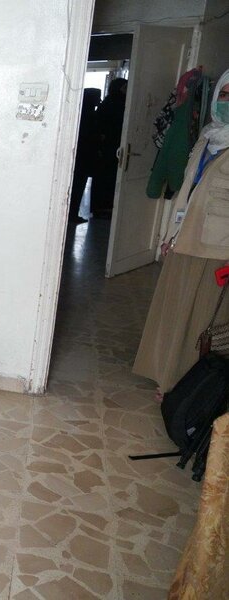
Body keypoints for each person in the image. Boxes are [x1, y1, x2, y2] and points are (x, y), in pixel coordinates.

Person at [134, 69, 229, 393]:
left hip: (217, 251)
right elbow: (187, 191)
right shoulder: (206, 138)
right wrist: (168, 235)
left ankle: (189, 388)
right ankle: (165, 378)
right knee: (172, 315)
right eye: (225, 95)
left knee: (202, 324)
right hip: (183, 239)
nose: (228, 102)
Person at [90, 78, 128, 218]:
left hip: (113, 147)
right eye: (124, 88)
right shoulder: (110, 104)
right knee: (104, 178)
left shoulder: (118, 103)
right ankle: (101, 208)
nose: (126, 91)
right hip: (106, 148)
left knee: (110, 177)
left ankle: (106, 207)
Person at [68, 88, 101, 223]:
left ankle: (72, 214)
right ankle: (72, 214)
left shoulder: (79, 112)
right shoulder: (88, 115)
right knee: (77, 187)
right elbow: (88, 136)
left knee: (76, 187)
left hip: (79, 157)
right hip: (83, 157)